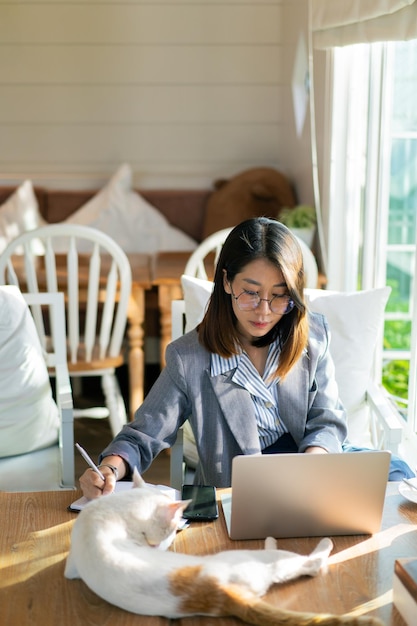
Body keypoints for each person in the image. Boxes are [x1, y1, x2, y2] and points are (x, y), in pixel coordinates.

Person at [80, 217, 413, 498]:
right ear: (226, 281)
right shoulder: (189, 358)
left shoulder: (313, 336)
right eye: (251, 293)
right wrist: (109, 468)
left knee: (399, 475)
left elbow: (326, 419)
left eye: (279, 296)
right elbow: (142, 437)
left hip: (315, 469)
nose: (265, 311)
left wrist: (315, 463)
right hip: (244, 492)